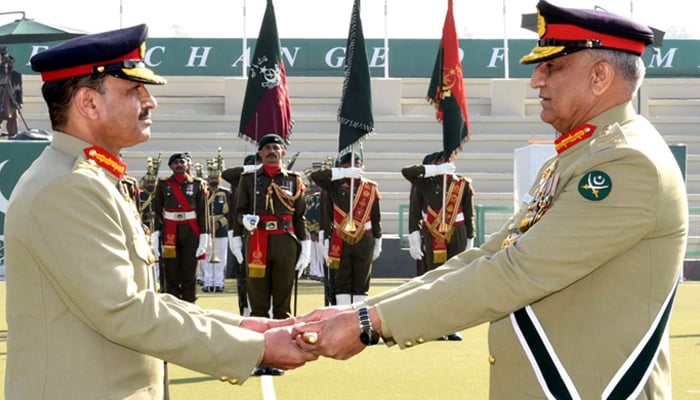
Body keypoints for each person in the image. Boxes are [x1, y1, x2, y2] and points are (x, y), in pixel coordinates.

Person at [293, 2, 687, 398]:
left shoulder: (625, 162)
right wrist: (359, 312)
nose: (536, 80)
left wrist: (371, 323)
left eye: (552, 67)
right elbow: (485, 257)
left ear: (600, 76)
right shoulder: (577, 158)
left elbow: (516, 271)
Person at [4, 24, 316, 400]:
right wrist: (259, 348)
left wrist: (249, 327)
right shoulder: (69, 187)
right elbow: (126, 311)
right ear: (89, 103)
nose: (150, 101)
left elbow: (145, 300)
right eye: (135, 90)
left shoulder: (90, 178)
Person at [234, 133, 310, 376]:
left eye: (276, 147)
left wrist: (305, 246)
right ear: (260, 153)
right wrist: (243, 221)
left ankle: (280, 356)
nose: (271, 151)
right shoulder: (249, 179)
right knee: (257, 301)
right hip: (257, 241)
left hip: (284, 242)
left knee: (282, 302)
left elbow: (300, 217)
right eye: (266, 148)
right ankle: (258, 355)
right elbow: (239, 211)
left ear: (283, 153)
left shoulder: (294, 180)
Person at [401, 150, 475, 341]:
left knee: (455, 278)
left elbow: (469, 213)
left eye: (447, 161)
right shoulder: (424, 182)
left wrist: (470, 238)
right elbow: (408, 175)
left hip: (457, 231)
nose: (445, 164)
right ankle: (434, 325)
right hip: (433, 233)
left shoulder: (461, 183)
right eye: (440, 161)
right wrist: (414, 235)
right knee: (435, 278)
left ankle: (451, 325)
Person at [309, 151, 382, 306]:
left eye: (356, 163)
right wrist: (341, 173)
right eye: (347, 163)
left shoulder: (370, 188)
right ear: (341, 166)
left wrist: (378, 238)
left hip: (364, 237)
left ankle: (359, 319)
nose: (353, 166)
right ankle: (342, 314)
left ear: (362, 165)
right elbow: (316, 177)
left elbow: (375, 216)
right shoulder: (333, 185)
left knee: (361, 281)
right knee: (341, 280)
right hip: (339, 237)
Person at [152, 152, 209, 303]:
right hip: (170, 232)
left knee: (189, 273)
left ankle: (190, 306)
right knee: (170, 272)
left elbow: (203, 213)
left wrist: (204, 237)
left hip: (190, 232)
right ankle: (172, 306)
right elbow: (157, 211)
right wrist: (155, 234)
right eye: (175, 162)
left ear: (188, 165)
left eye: (182, 162)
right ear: (170, 166)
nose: (179, 165)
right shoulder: (163, 184)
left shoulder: (197, 184)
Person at [222, 153, 260, 316]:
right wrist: (252, 168)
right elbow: (226, 174)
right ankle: (244, 309)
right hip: (240, 232)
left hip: (262, 233)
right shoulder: (239, 180)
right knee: (243, 274)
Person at [199, 156, 231, 293]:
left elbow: (230, 213)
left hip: (220, 228)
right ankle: (207, 281)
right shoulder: (202, 193)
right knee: (205, 257)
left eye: (215, 179)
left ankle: (218, 282)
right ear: (207, 179)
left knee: (221, 257)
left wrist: (219, 223)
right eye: (211, 179)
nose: (213, 181)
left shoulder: (225, 193)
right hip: (206, 228)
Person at [0, 47, 23, 138]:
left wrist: (20, 101)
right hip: (1, 96)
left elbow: (19, 88)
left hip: (11, 98)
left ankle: (13, 136)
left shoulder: (16, 74)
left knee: (13, 118)